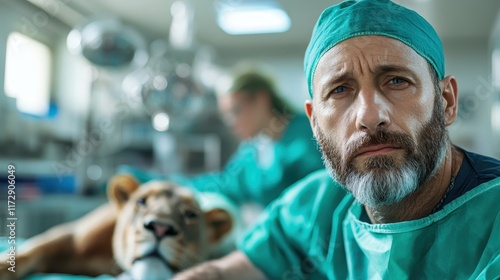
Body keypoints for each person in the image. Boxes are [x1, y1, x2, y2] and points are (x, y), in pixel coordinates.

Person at [172, 0, 500, 279]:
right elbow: (244, 264)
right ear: (315, 122)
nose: (369, 116)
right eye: (340, 90)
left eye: (397, 81)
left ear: (446, 102)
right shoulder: (318, 207)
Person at [123, 69, 324, 207]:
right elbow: (219, 185)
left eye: (236, 111)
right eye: (226, 115)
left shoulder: (308, 134)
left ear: (261, 100)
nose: (231, 122)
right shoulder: (251, 152)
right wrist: (156, 182)